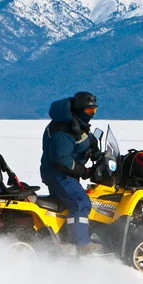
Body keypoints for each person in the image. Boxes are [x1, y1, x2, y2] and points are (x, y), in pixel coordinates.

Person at [40, 92, 102, 255]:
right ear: (79, 109)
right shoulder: (62, 128)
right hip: (58, 174)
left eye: (94, 110)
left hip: (66, 174)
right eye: (89, 111)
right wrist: (85, 171)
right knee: (81, 202)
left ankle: (64, 242)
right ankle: (80, 244)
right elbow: (61, 159)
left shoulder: (75, 123)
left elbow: (82, 139)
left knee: (66, 206)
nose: (92, 115)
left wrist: (95, 150)